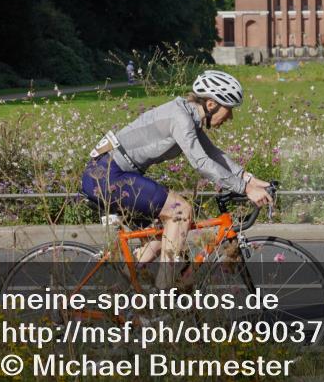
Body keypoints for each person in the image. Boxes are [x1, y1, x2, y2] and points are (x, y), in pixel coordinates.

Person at [80, 70, 273, 287]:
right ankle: (164, 297)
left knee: (159, 240)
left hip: (113, 173)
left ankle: (119, 298)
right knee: (180, 211)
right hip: (107, 175)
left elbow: (213, 154)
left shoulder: (188, 116)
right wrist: (245, 189)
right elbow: (200, 162)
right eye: (229, 110)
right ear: (211, 104)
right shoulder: (180, 118)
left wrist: (249, 179)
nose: (230, 117)